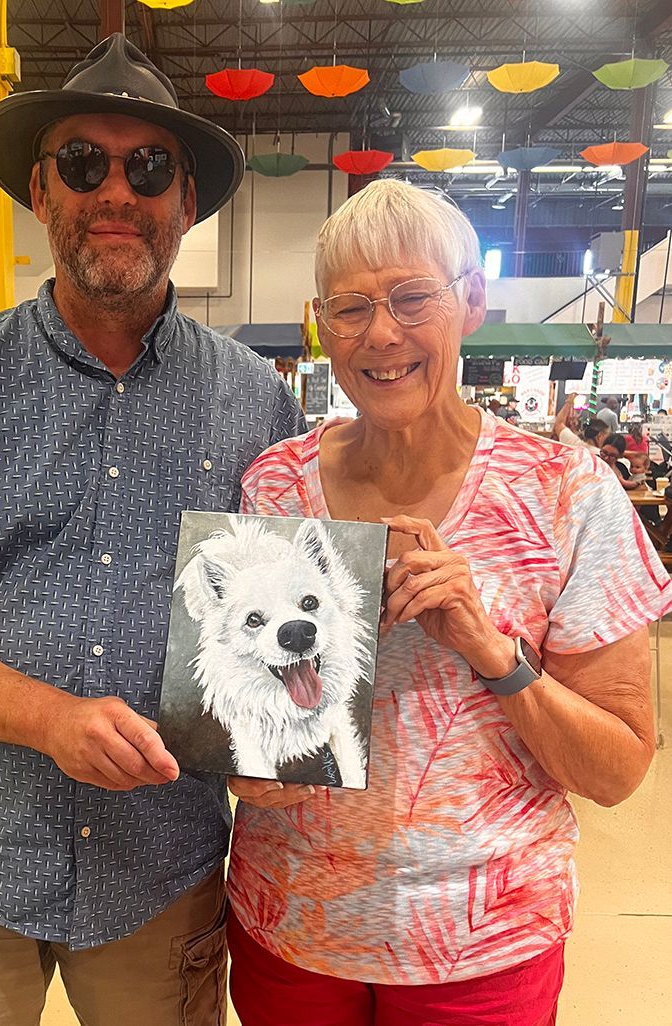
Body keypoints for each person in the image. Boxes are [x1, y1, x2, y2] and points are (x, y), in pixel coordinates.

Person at [0, 35, 304, 1026]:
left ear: (187, 202)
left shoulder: (254, 405)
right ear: (41, 192)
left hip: (160, 871)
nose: (117, 192)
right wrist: (49, 719)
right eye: (84, 163)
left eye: (149, 168)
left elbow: (283, 627)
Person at [224, 179, 669, 1026]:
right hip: (292, 927)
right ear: (321, 324)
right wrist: (254, 769)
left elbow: (617, 770)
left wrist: (492, 650)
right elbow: (251, 726)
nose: (381, 333)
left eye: (412, 297)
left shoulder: (565, 492)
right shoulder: (274, 485)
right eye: (350, 307)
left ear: (471, 300)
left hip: (482, 944)